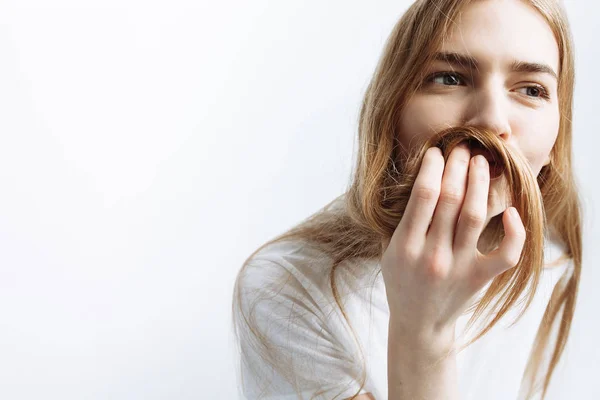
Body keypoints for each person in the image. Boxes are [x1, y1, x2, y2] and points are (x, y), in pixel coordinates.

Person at [232, 0, 582, 399]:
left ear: (557, 137)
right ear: (392, 110)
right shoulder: (290, 289)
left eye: (532, 89)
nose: (491, 120)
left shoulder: (553, 263)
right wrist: (423, 332)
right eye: (450, 78)